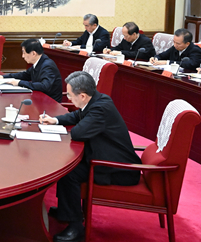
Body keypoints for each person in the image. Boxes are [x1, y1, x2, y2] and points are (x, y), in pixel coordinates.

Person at [40, 71, 141, 242]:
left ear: (83, 96)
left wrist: (73, 125)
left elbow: (78, 133)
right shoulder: (97, 100)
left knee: (70, 172)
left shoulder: (100, 109)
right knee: (67, 166)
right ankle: (66, 212)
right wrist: (55, 120)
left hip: (118, 168)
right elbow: (78, 115)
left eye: (70, 95)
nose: (68, 98)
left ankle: (76, 227)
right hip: (104, 156)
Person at [0, 38, 62, 102]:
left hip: (50, 103)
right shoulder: (40, 61)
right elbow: (25, 75)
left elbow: (44, 86)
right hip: (40, 99)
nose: (22, 56)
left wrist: (19, 82)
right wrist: (3, 77)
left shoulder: (47, 65)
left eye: (24, 53)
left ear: (33, 53)